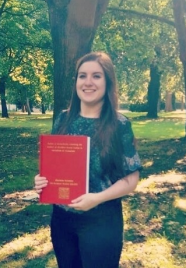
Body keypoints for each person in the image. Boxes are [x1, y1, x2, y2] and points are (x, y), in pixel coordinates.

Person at [34, 51, 141, 268]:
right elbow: (56, 165)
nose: (88, 82)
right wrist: (42, 181)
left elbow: (132, 179)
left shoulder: (119, 125)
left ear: (107, 81)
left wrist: (97, 198)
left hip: (101, 220)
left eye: (96, 76)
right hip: (62, 220)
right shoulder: (63, 119)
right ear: (76, 82)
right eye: (82, 76)